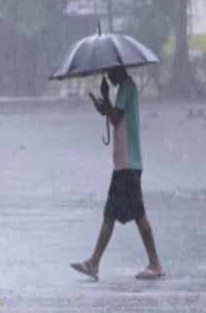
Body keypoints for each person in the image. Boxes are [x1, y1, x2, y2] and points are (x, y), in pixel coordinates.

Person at [70, 66, 164, 281]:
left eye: (111, 72)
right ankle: (94, 262)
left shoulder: (126, 87)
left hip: (128, 163)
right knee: (111, 214)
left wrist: (106, 97)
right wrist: (100, 101)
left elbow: (114, 117)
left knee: (137, 214)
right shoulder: (124, 88)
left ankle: (155, 263)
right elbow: (112, 114)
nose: (109, 76)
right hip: (124, 163)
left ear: (119, 69)